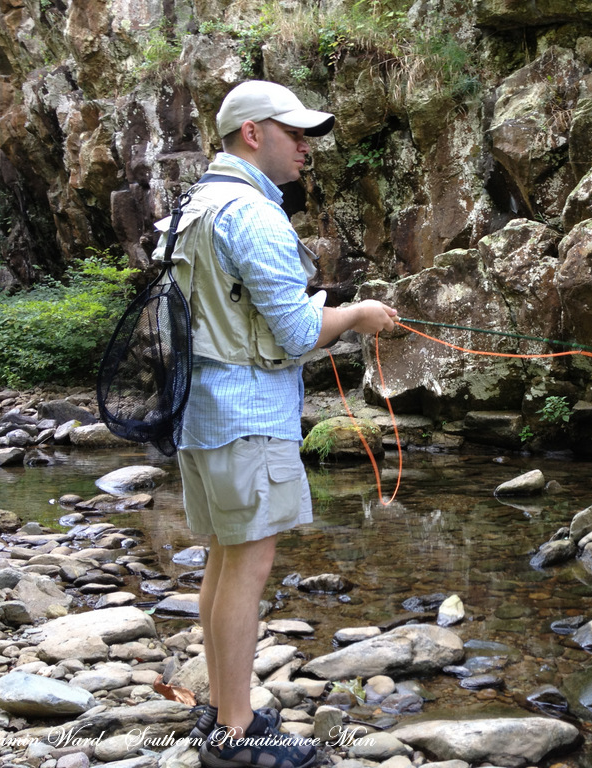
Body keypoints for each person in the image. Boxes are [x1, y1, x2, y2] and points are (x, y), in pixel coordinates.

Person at [167, 80, 398, 768]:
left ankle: (220, 708)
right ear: (251, 135)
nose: (306, 148)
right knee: (249, 562)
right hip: (247, 415)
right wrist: (357, 316)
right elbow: (298, 333)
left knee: (225, 556)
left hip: (200, 412)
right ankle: (237, 734)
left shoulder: (194, 207)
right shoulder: (255, 215)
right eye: (294, 134)